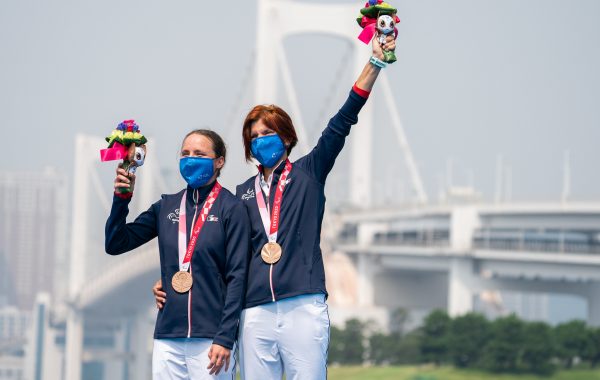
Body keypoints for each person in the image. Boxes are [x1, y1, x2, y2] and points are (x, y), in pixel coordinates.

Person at [154, 34, 396, 379]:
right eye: (253, 136)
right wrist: (169, 280)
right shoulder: (240, 195)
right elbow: (218, 256)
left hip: (303, 303)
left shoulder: (310, 173)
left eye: (267, 132)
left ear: (286, 137)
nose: (260, 140)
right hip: (255, 313)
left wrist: (375, 63)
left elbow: (343, 120)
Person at [106, 129, 250, 379]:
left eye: (199, 153)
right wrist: (122, 196)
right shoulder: (167, 206)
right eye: (185, 153)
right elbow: (116, 243)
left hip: (211, 340)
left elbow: (238, 276)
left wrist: (226, 336)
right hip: (167, 338)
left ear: (219, 162)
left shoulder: (232, 208)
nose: (190, 158)